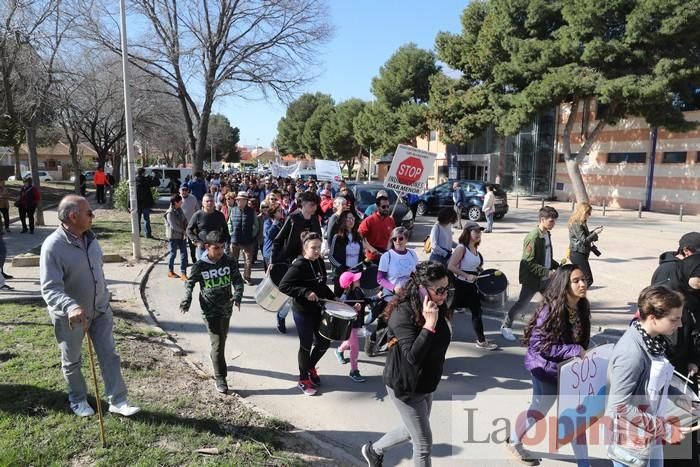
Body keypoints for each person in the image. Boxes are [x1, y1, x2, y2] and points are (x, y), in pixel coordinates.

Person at [40, 195, 140, 417]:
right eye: (89, 213)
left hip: (101, 310)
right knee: (72, 360)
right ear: (73, 216)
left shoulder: (92, 239)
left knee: (109, 355)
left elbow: (98, 271)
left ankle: (118, 400)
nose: (93, 216)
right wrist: (71, 306)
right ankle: (77, 399)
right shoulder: (52, 247)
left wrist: (104, 295)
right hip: (71, 317)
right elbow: (49, 288)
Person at [361, 261, 452, 467]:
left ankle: (373, 451)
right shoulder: (402, 314)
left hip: (426, 382)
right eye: (440, 290)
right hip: (405, 385)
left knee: (411, 428)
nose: (445, 294)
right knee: (423, 443)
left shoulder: (435, 305)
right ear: (421, 287)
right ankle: (373, 451)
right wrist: (429, 325)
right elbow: (412, 357)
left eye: (447, 288)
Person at [505, 264, 591, 466]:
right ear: (564, 284)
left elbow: (580, 340)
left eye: (583, 279)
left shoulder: (581, 305)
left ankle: (584, 463)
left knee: (575, 417)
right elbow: (540, 345)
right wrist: (574, 351)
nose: (582, 284)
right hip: (546, 369)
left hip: (570, 371)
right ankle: (514, 441)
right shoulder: (549, 310)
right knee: (539, 410)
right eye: (576, 280)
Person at [606, 286, 692, 467]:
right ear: (653, 318)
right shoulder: (631, 353)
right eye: (674, 319)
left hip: (650, 434)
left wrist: (689, 403)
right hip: (631, 444)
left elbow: (658, 384)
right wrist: (665, 430)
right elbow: (619, 405)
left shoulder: (653, 340)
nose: (680, 325)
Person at [180, 231, 244, 394]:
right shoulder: (200, 266)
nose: (220, 251)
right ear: (207, 247)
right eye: (217, 248)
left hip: (226, 308)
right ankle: (220, 377)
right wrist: (187, 300)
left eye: (223, 247)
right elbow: (190, 283)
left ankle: (216, 358)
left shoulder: (229, 261)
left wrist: (237, 295)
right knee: (218, 344)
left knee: (222, 339)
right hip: (209, 310)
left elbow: (237, 280)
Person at [278, 232, 336, 396]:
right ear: (305, 248)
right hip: (303, 312)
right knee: (306, 344)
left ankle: (310, 367)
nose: (317, 251)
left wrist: (333, 297)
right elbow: (284, 286)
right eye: (313, 248)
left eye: (319, 247)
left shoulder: (319, 262)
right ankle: (303, 379)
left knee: (324, 343)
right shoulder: (298, 266)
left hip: (318, 309)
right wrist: (304, 292)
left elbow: (322, 285)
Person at [501, 206, 560, 342]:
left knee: (553, 304)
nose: (553, 224)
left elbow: (547, 256)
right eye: (551, 221)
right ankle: (506, 326)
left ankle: (547, 330)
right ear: (542, 219)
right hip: (533, 280)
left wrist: (557, 266)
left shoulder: (547, 234)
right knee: (522, 304)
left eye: (554, 221)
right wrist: (547, 272)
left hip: (545, 279)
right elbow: (529, 262)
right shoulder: (533, 237)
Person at [448, 222, 498, 350]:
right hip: (460, 285)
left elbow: (473, 266)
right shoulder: (461, 248)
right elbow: (451, 266)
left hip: (472, 286)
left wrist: (479, 270)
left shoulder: (475, 249)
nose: (478, 234)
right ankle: (441, 333)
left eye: (479, 231)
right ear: (467, 232)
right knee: (448, 311)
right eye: (475, 231)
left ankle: (481, 340)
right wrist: (466, 275)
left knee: (477, 312)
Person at [271, 191, 322, 264]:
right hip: (292, 259)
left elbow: (318, 237)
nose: (315, 207)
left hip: (311, 258)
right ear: (303, 204)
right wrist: (273, 261)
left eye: (316, 205)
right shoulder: (293, 218)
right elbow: (278, 240)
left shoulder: (314, 219)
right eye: (312, 205)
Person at [335, 271, 366, 383]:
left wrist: (376, 297)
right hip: (349, 325)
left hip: (356, 323)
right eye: (355, 279)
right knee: (355, 347)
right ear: (350, 284)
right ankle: (354, 371)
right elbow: (344, 312)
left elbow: (364, 301)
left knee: (349, 342)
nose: (358, 279)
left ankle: (339, 351)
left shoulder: (358, 290)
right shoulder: (345, 296)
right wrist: (354, 309)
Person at [329, 210, 365, 295]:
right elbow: (331, 256)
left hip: (356, 275)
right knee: (341, 301)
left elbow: (361, 254)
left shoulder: (358, 236)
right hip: (343, 275)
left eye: (353, 218)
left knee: (357, 301)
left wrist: (367, 262)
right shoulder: (337, 237)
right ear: (343, 220)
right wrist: (341, 267)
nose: (351, 221)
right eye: (348, 218)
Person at [568, 202, 603, 287]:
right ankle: (575, 296)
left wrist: (594, 232)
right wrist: (594, 233)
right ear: (583, 212)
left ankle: (572, 295)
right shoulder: (576, 223)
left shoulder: (581, 222)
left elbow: (584, 236)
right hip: (577, 253)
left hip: (581, 253)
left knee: (578, 278)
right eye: (588, 213)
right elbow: (584, 240)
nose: (589, 215)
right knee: (588, 279)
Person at [187, 193, 230, 260]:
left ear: (214, 202)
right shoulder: (197, 215)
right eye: (207, 201)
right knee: (203, 268)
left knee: (216, 267)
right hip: (202, 247)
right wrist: (196, 241)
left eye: (211, 201)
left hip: (216, 247)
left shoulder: (219, 215)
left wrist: (223, 241)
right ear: (203, 203)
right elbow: (189, 230)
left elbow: (225, 230)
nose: (209, 203)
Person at [228, 192, 256, 285]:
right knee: (233, 260)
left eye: (241, 200)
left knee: (248, 260)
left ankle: (247, 277)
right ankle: (235, 277)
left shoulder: (252, 211)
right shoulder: (233, 210)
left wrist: (252, 234)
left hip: (247, 240)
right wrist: (231, 232)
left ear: (245, 201)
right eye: (238, 200)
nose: (239, 201)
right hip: (235, 239)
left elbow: (256, 225)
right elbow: (229, 223)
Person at [358, 195, 395, 265]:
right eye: (383, 207)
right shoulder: (369, 220)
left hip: (386, 255)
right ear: (377, 207)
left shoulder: (390, 220)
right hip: (373, 257)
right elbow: (359, 236)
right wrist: (370, 248)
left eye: (388, 206)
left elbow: (393, 236)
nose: (386, 209)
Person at [165, 194, 189, 280]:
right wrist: (183, 231)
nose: (182, 202)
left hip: (182, 236)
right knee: (173, 254)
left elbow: (184, 219)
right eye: (180, 201)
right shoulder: (169, 213)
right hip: (173, 236)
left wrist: (187, 226)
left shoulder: (180, 210)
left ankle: (183, 273)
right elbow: (173, 226)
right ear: (175, 202)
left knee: (184, 254)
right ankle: (170, 271)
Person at [135, 168, 158, 238]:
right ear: (143, 173)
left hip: (137, 203)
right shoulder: (146, 180)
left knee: (137, 219)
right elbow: (156, 183)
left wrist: (129, 204)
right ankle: (147, 234)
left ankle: (137, 233)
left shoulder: (134, 180)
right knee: (146, 219)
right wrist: (154, 176)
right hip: (145, 203)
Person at [179, 185, 199, 264]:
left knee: (192, 245)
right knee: (183, 245)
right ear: (179, 191)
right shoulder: (177, 199)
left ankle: (194, 260)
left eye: (185, 190)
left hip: (192, 225)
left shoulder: (193, 198)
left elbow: (197, 210)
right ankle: (185, 261)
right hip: (181, 225)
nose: (184, 192)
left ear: (188, 190)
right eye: (182, 190)